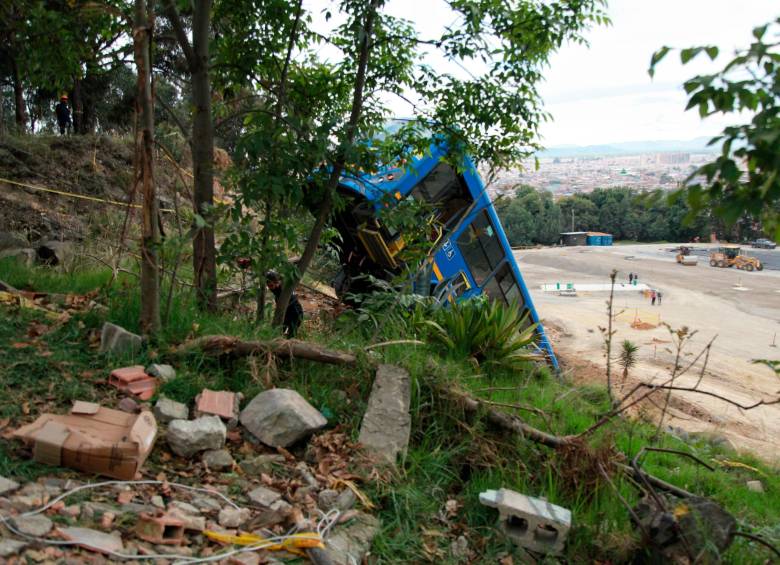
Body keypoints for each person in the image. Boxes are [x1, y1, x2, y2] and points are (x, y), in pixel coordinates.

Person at [266, 270, 304, 337]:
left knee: (290, 336)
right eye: (269, 286)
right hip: (287, 313)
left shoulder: (283, 291)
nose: (271, 288)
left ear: (277, 282)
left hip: (295, 313)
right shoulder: (279, 290)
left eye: (272, 285)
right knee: (277, 333)